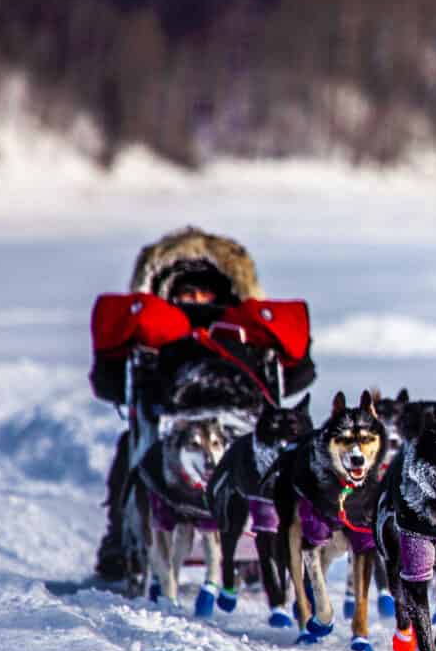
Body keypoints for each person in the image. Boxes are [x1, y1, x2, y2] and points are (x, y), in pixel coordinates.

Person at [90, 227, 316, 581]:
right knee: (129, 451)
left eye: (202, 293)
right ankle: (120, 537)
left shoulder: (243, 335)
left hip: (238, 418)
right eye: (186, 294)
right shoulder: (163, 333)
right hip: (173, 416)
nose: (195, 301)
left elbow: (297, 378)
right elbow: (109, 383)